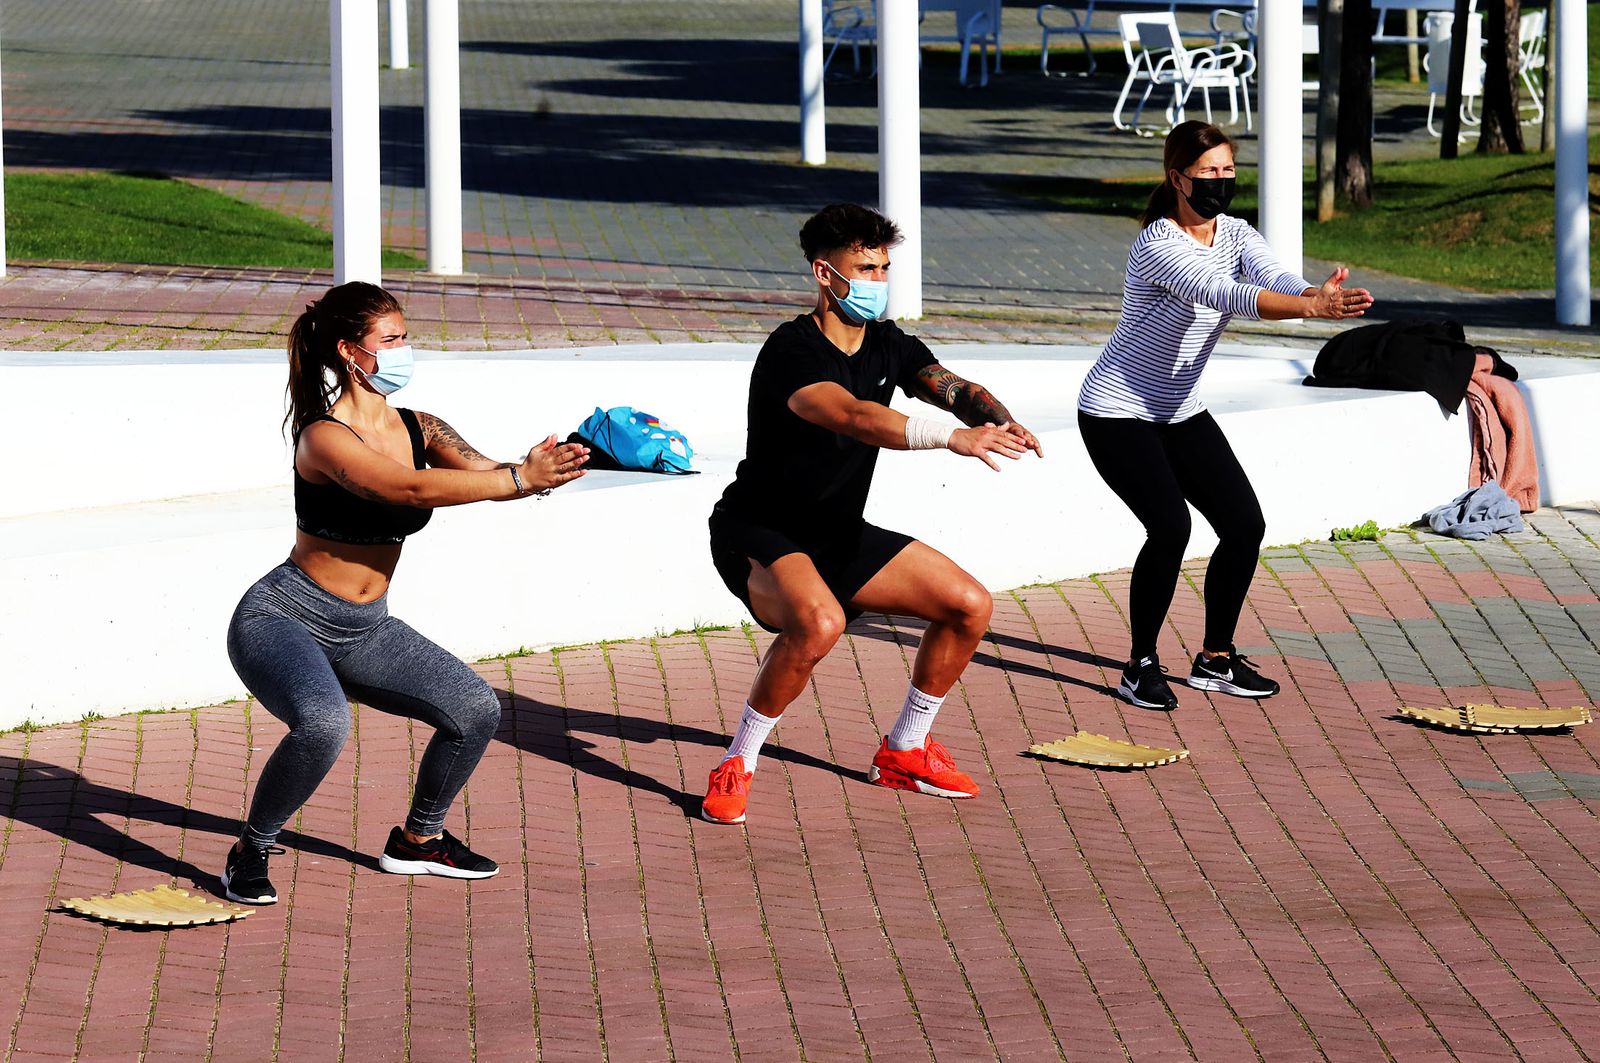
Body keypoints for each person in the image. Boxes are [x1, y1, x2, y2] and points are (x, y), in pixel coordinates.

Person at [221, 281, 589, 904]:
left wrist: (549, 466)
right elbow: (408, 490)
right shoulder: (324, 437)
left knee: (475, 708)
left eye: (405, 337)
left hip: (366, 627)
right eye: (390, 340)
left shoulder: (422, 426)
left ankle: (419, 841)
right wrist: (516, 479)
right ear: (348, 351)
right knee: (321, 724)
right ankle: (251, 848)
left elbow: (486, 473)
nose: (404, 350)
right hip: (284, 618)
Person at [700, 203, 1044, 826]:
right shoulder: (790, 351)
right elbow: (854, 415)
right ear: (824, 273)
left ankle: (905, 749)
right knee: (819, 624)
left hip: (836, 533)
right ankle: (738, 761)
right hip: (759, 531)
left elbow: (951, 386)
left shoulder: (888, 343)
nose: (878, 281)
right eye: (866, 268)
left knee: (969, 605)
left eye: (885, 267)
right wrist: (951, 439)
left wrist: (992, 418)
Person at [1077, 120, 1374, 711]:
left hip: (1179, 408)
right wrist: (1312, 311)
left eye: (1228, 171)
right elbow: (1231, 295)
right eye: (1207, 172)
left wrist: (1313, 292)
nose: (1220, 182)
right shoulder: (1159, 245)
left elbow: (1272, 278)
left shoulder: (1235, 232)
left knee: (1244, 525)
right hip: (1116, 409)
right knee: (1170, 527)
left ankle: (1215, 659)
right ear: (1176, 178)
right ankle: (1140, 666)